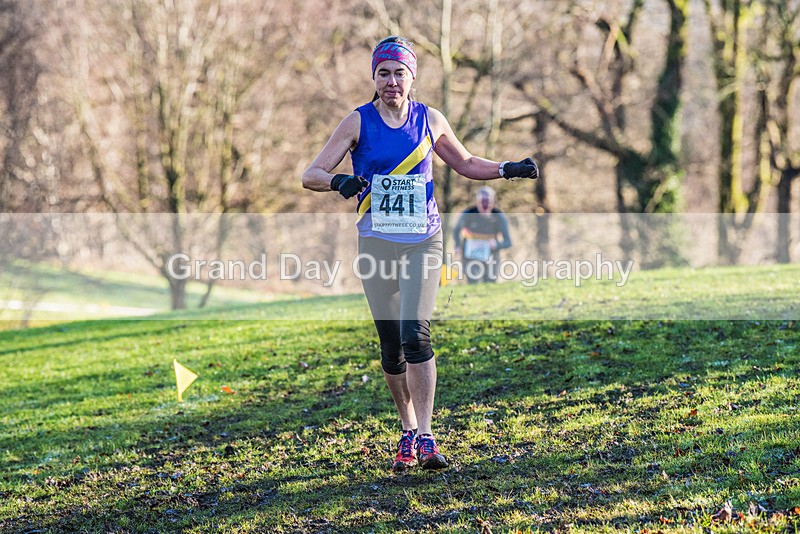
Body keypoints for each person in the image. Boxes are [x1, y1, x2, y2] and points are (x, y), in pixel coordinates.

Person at [301, 36, 538, 471]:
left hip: (423, 240)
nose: (392, 81)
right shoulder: (357, 123)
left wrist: (507, 169)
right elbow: (310, 173)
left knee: (416, 335)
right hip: (376, 243)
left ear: (412, 77)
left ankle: (427, 436)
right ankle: (407, 429)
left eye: (399, 73)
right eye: (383, 73)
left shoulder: (430, 119)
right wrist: (340, 183)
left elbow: (465, 163)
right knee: (391, 347)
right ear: (374, 78)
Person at [452, 186, 512, 284]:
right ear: (477, 202)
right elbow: (456, 230)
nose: (485, 206)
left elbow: (508, 242)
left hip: (491, 255)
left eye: (488, 202)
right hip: (470, 255)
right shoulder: (468, 214)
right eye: (482, 202)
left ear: (493, 202)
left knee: (490, 283)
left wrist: (496, 244)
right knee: (473, 282)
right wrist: (457, 245)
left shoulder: (498, 216)